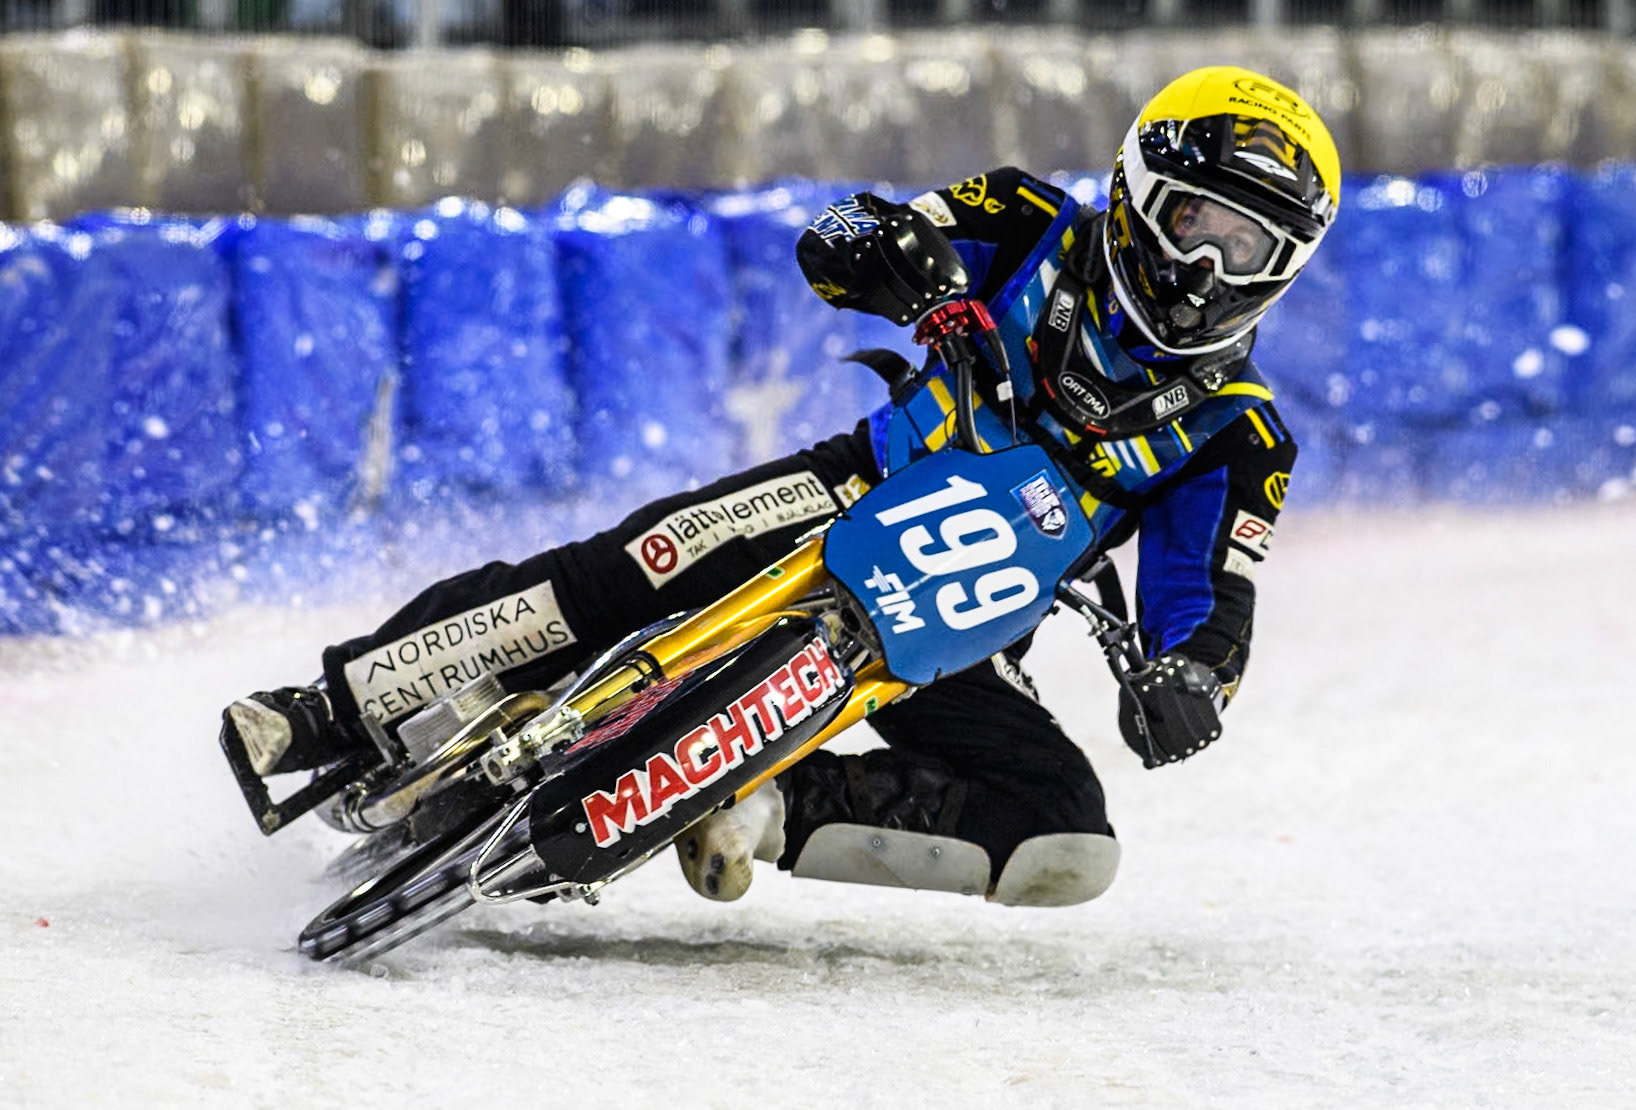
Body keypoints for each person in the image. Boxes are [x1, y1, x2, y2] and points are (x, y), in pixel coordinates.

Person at [222, 66, 1339, 907]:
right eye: (1198, 223)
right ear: (1145, 193)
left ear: (1283, 267)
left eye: (1246, 247)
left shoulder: (1239, 435)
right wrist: (904, 265)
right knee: (627, 570)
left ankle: (756, 804)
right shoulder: (1025, 218)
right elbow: (842, 232)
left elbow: (1203, 597)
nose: (1205, 271)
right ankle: (332, 711)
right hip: (849, 487)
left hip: (967, 620)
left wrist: (1190, 680)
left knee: (1068, 843)